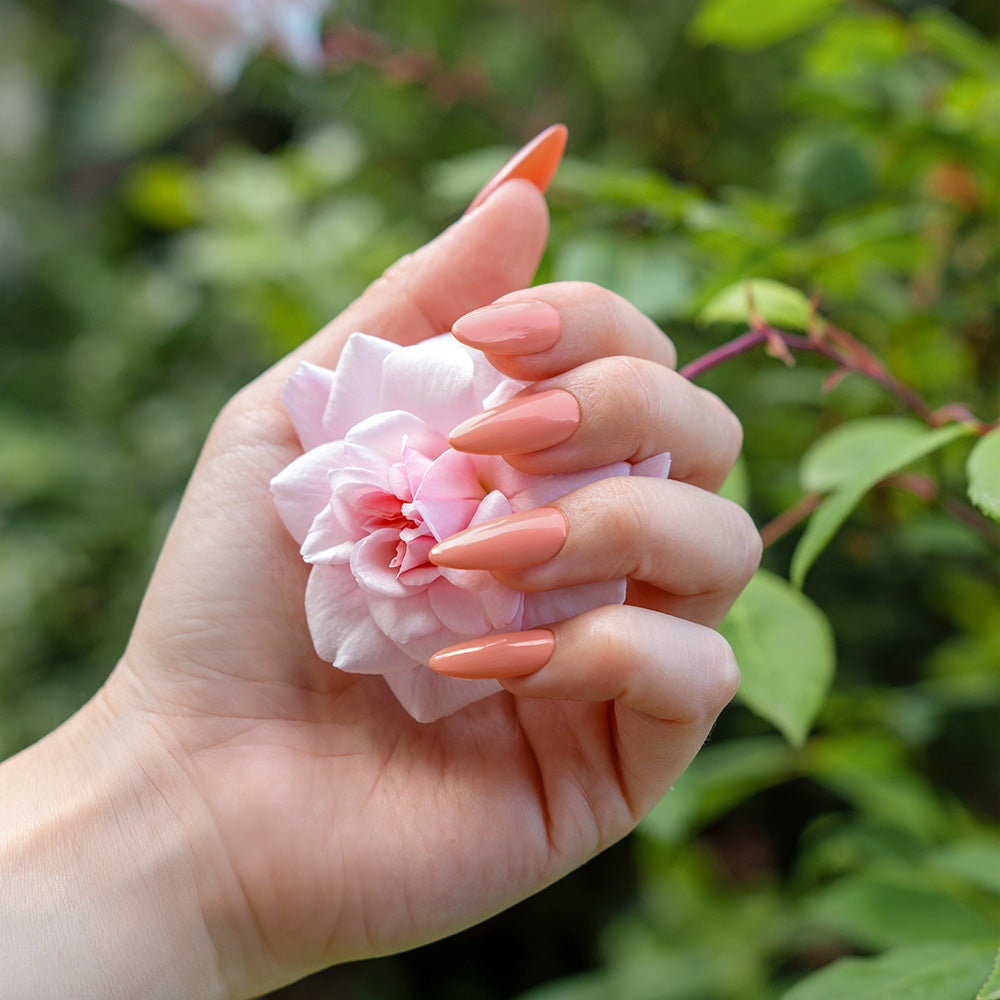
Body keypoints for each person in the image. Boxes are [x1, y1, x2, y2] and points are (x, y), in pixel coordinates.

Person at [0, 127, 761, 1000]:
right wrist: (184, 819)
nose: (404, 534)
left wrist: (190, 837)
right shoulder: (394, 555)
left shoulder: (375, 411)